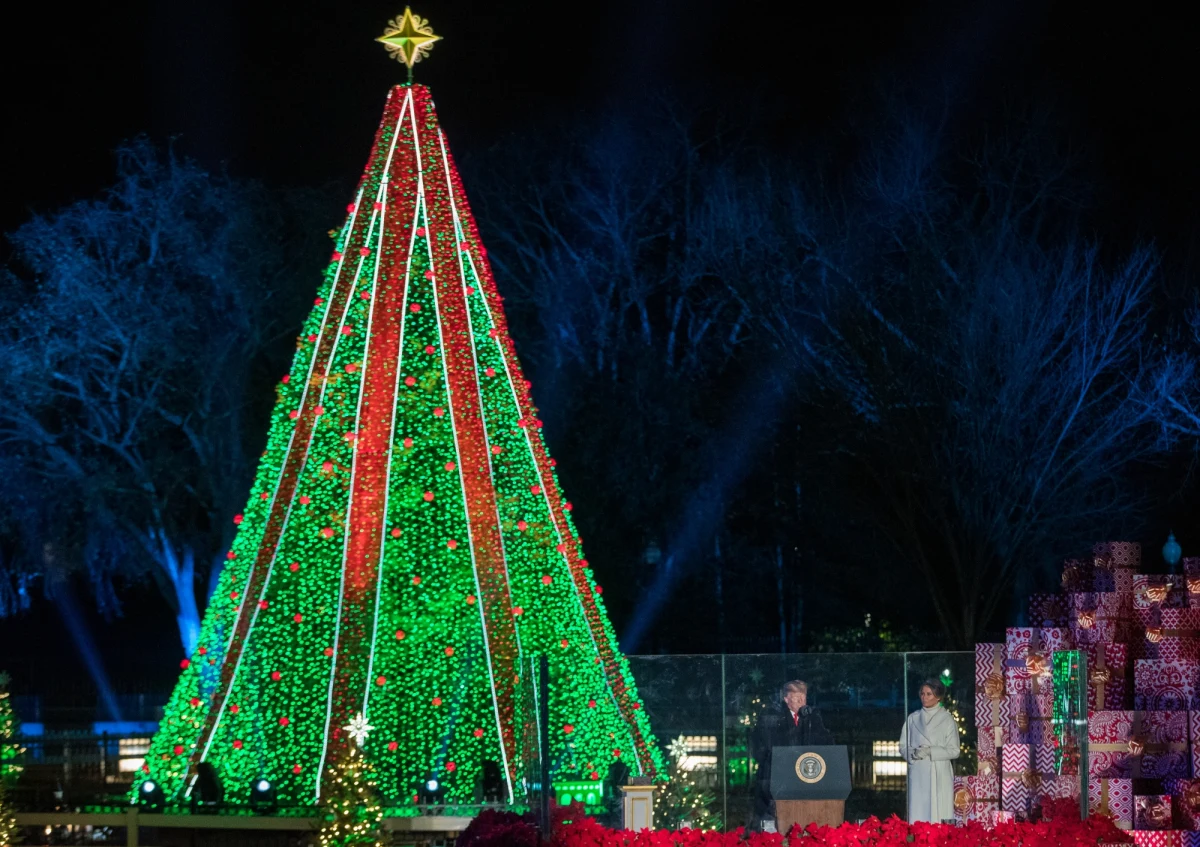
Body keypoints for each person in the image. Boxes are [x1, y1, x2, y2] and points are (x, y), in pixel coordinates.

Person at [750, 680, 834, 831]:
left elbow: (826, 743)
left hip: (807, 781)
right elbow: (765, 748)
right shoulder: (772, 717)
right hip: (777, 781)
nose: (802, 701)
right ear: (786, 699)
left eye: (803, 696)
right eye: (796, 696)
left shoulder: (812, 716)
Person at [899, 679, 960, 823]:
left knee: (939, 812)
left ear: (938, 697)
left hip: (939, 773)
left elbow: (954, 750)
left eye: (929, 694)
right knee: (918, 812)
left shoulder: (947, 720)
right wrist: (913, 753)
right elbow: (903, 746)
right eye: (922, 693)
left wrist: (931, 751)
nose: (924, 697)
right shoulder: (912, 719)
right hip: (919, 773)